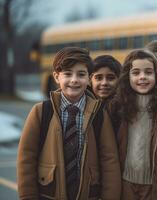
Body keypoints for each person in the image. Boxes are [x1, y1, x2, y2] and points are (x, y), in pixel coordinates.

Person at [17, 47, 121, 200]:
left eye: (81, 74)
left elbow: (110, 161)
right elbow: (26, 158)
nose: (74, 80)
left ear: (89, 78)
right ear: (56, 77)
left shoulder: (99, 115)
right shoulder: (41, 112)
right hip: (48, 194)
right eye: (67, 74)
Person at [109, 49, 157, 200]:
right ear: (127, 77)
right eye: (136, 73)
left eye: (148, 72)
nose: (142, 77)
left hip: (153, 183)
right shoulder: (118, 107)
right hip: (125, 181)